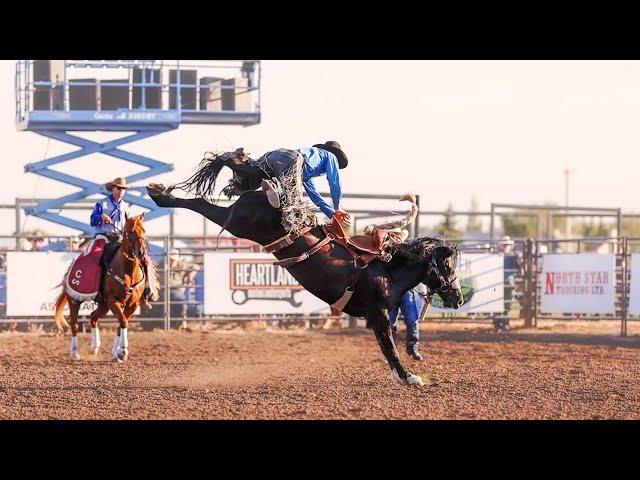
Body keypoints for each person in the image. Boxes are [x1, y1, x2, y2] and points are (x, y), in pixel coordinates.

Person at [257, 141, 352, 235]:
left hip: (274, 156)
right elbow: (334, 182)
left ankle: (272, 187)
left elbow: (314, 194)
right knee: (293, 206)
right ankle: (277, 192)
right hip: (293, 160)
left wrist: (331, 213)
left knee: (283, 188)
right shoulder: (331, 156)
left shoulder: (306, 171)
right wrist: (337, 207)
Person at [89, 176, 156, 308]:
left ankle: (146, 291)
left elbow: (129, 225)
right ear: (112, 189)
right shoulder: (101, 204)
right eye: (118, 188)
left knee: (144, 258)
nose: (120, 191)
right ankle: (97, 290)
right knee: (98, 257)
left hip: (120, 237)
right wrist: (101, 217)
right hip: (103, 236)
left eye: (123, 189)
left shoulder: (126, 207)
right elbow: (92, 220)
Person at [388, 283, 427, 361]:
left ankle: (413, 350)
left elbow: (416, 271)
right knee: (389, 323)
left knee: (412, 320)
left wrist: (423, 290)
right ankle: (390, 352)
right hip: (390, 291)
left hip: (407, 291)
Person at [493, 235, 521, 331]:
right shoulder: (496, 255)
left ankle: (505, 323)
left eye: (507, 245)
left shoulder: (513, 255)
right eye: (504, 244)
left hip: (509, 282)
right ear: (500, 245)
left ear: (510, 246)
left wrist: (518, 259)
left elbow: (518, 267)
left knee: (507, 304)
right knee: (496, 303)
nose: (505, 246)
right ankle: (497, 324)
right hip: (497, 282)